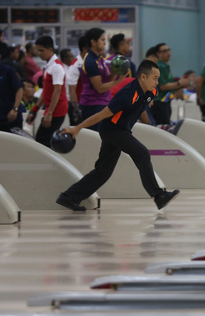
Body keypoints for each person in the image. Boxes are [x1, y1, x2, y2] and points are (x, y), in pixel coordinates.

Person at [55, 60, 179, 212]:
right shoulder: (126, 95)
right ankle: (158, 196)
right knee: (142, 153)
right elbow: (101, 115)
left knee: (103, 172)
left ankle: (69, 197)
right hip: (111, 130)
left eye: (158, 78)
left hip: (122, 130)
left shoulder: (151, 91)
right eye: (154, 78)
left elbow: (142, 106)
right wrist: (77, 128)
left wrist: (149, 124)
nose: (157, 82)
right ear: (143, 77)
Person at [78, 27, 124, 129]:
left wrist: (116, 72)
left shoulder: (99, 58)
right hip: (92, 105)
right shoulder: (90, 61)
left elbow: (107, 80)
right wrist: (120, 80)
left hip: (103, 102)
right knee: (96, 139)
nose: (104, 43)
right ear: (93, 42)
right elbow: (99, 88)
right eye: (102, 40)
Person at [27, 36, 69, 145]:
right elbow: (46, 92)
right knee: (44, 140)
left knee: (43, 140)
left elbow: (57, 91)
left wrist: (49, 113)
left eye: (42, 50)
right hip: (51, 109)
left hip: (57, 109)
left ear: (50, 49)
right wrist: (35, 109)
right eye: (38, 50)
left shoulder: (57, 67)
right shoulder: (48, 66)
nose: (39, 53)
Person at [150, 42, 191, 126]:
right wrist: (180, 83)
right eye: (165, 51)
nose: (168, 52)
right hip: (159, 103)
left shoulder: (166, 66)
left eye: (169, 50)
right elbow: (162, 86)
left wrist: (183, 84)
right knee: (162, 127)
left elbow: (170, 85)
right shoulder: (159, 67)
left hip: (166, 101)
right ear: (158, 54)